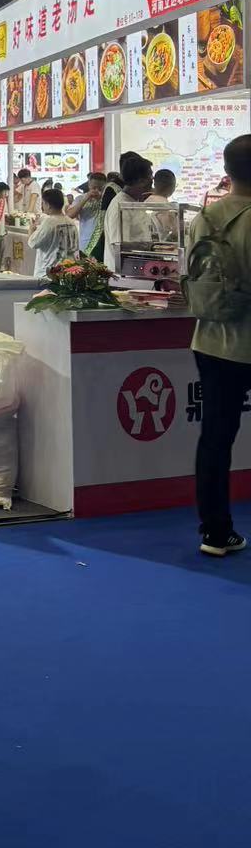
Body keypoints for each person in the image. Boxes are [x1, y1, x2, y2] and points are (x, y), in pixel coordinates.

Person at [188, 134, 251, 557]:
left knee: (215, 438)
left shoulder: (204, 217)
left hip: (210, 341)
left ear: (226, 172)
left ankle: (215, 531)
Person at [102, 152, 154, 275]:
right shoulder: (120, 206)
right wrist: (150, 247)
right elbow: (119, 245)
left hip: (138, 271)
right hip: (122, 274)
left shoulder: (134, 202)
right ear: (141, 181)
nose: (152, 181)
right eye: (150, 177)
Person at [28, 185, 79, 279]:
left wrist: (31, 228)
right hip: (68, 273)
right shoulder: (71, 222)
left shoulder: (49, 222)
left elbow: (33, 243)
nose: (42, 206)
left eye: (43, 203)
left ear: (48, 205)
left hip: (48, 274)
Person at [67, 173, 106, 253]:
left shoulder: (107, 199)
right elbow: (69, 215)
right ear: (89, 185)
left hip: (103, 243)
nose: (97, 191)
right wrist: (85, 199)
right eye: (94, 188)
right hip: (85, 243)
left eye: (100, 189)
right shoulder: (80, 198)